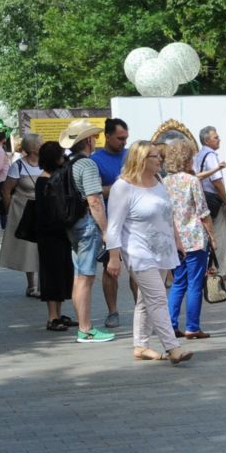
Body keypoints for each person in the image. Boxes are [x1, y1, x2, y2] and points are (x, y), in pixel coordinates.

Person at [105, 141, 191, 363]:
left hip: (162, 250)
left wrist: (178, 240)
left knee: (146, 300)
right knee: (157, 298)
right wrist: (114, 257)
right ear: (140, 159)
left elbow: (167, 214)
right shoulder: (123, 187)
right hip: (138, 251)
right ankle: (173, 347)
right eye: (154, 156)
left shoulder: (158, 181)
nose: (160, 159)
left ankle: (141, 346)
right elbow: (113, 226)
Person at [59, 120, 116, 344]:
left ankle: (84, 325)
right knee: (86, 277)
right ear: (89, 140)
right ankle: (86, 329)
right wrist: (105, 230)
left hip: (72, 224)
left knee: (79, 277)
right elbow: (94, 200)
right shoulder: (88, 165)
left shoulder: (68, 163)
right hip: (87, 225)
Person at [162, 140, 217, 341]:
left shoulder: (164, 182)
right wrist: (212, 235)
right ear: (187, 158)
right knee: (195, 284)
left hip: (174, 240)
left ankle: (170, 324)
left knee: (178, 283)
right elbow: (203, 211)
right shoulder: (191, 180)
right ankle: (193, 326)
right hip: (194, 239)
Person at [28, 142, 77, 332]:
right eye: (60, 155)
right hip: (49, 236)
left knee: (63, 274)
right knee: (51, 275)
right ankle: (52, 317)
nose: (63, 158)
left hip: (59, 234)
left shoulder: (54, 177)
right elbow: (48, 212)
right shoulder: (44, 181)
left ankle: (59, 313)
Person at [90, 117, 130, 326]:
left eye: (126, 138)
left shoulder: (131, 156)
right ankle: (112, 311)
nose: (124, 142)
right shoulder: (96, 160)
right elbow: (93, 191)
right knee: (109, 268)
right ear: (107, 136)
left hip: (133, 221)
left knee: (139, 267)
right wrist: (120, 186)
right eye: (120, 138)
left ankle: (143, 308)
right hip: (110, 222)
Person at [0, 133, 43, 297]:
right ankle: (32, 286)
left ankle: (45, 284)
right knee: (28, 249)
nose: (42, 145)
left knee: (44, 247)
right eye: (40, 143)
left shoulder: (46, 164)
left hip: (44, 210)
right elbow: (6, 191)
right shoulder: (19, 166)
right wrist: (10, 213)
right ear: (32, 147)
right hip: (24, 211)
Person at [194, 124, 226, 276]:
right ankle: (217, 270)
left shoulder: (199, 155)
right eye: (215, 137)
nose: (219, 140)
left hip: (204, 198)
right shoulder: (211, 156)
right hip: (213, 199)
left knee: (207, 235)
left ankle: (207, 268)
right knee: (219, 236)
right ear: (207, 140)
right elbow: (217, 181)